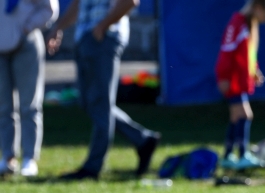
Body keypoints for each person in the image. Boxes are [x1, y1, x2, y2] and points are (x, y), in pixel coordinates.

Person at [46, 0, 161, 180]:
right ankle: (143, 139)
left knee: (100, 103)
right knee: (89, 102)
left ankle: (92, 167)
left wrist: (102, 27)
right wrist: (59, 27)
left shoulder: (102, 31)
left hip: (103, 38)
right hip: (85, 38)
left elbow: (131, 2)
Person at [0, 0, 57, 177]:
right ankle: (8, 157)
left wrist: (26, 28)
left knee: (29, 104)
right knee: (3, 106)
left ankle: (29, 158)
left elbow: (49, 9)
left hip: (26, 43)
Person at [215, 0, 265, 171]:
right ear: (257, 8)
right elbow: (227, 50)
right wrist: (223, 76)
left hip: (239, 80)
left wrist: (254, 70)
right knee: (246, 115)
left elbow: (248, 53)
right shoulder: (237, 23)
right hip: (232, 80)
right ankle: (243, 154)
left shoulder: (247, 26)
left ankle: (228, 155)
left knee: (236, 117)